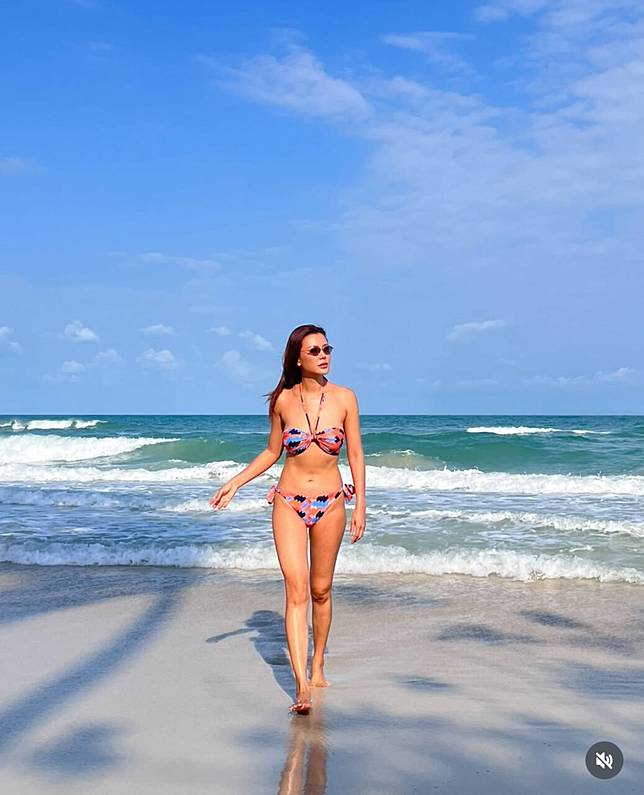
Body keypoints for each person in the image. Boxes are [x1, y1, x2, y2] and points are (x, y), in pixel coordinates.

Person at [209, 324, 366, 715]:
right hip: (288, 502)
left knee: (321, 590)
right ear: (297, 358)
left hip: (331, 502)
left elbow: (356, 454)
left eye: (327, 348)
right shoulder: (282, 400)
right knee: (296, 590)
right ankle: (301, 687)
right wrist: (235, 482)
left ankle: (318, 663)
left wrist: (361, 505)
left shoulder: (345, 398)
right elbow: (271, 452)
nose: (324, 355)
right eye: (315, 350)